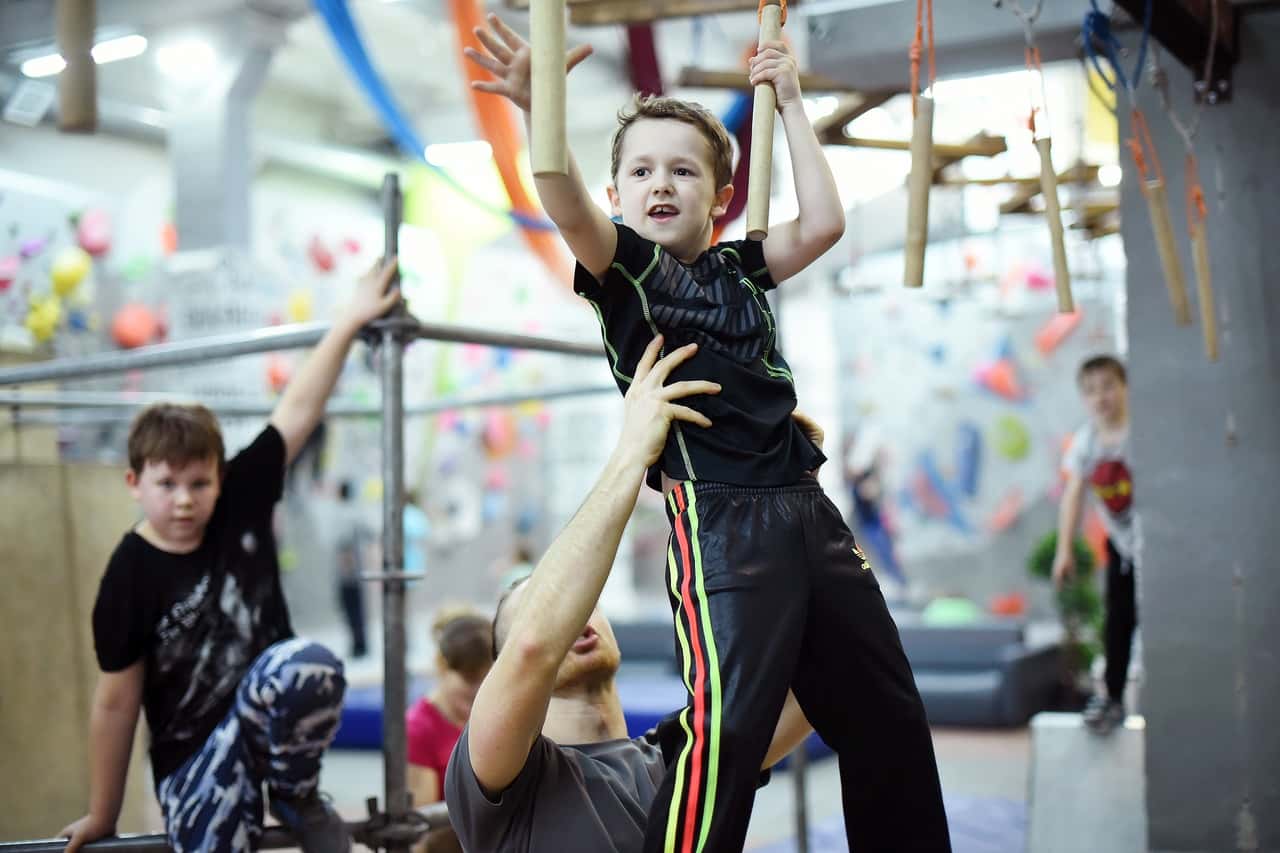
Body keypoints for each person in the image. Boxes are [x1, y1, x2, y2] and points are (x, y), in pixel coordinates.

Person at [465, 16, 950, 851]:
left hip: (808, 506)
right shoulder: (623, 271)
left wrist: (792, 103)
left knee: (888, 708)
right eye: (642, 171)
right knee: (726, 730)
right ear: (617, 195)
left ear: (719, 198)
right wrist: (540, 104)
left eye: (684, 171)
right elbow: (556, 181)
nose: (662, 183)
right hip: (723, 520)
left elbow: (825, 223)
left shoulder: (741, 267)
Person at [59, 260, 401, 853]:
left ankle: (293, 793)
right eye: (168, 486)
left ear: (220, 478)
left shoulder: (239, 499)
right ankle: (237, 799)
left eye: (200, 483)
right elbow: (116, 701)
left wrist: (347, 321)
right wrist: (102, 814)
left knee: (309, 664)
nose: (186, 501)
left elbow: (296, 411)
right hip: (192, 749)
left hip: (264, 714)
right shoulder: (128, 574)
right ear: (134, 483)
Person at [446, 336, 817, 852]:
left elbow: (826, 668)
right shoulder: (498, 778)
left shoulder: (686, 762)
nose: (575, 619)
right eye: (544, 610)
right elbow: (534, 648)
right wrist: (631, 451)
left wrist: (790, 500)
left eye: (585, 605)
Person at [1055, 354, 1138, 735]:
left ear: (1124, 388)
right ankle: (1114, 699)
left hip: (1155, 544)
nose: (1101, 397)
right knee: (1117, 620)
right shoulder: (1086, 440)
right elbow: (1073, 494)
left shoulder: (1140, 430)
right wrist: (1065, 550)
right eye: (1091, 390)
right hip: (1122, 546)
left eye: (1108, 386)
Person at [407, 607, 493, 807]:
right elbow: (425, 822)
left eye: (487, 679)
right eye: (470, 679)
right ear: (442, 665)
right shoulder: (418, 729)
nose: (479, 690)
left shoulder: (493, 715)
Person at [335, 480, 373, 658]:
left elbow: (345, 545)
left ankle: (358, 646)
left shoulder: (342, 516)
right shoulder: (355, 514)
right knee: (358, 611)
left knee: (352, 611)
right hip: (355, 573)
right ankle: (361, 644)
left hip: (348, 574)